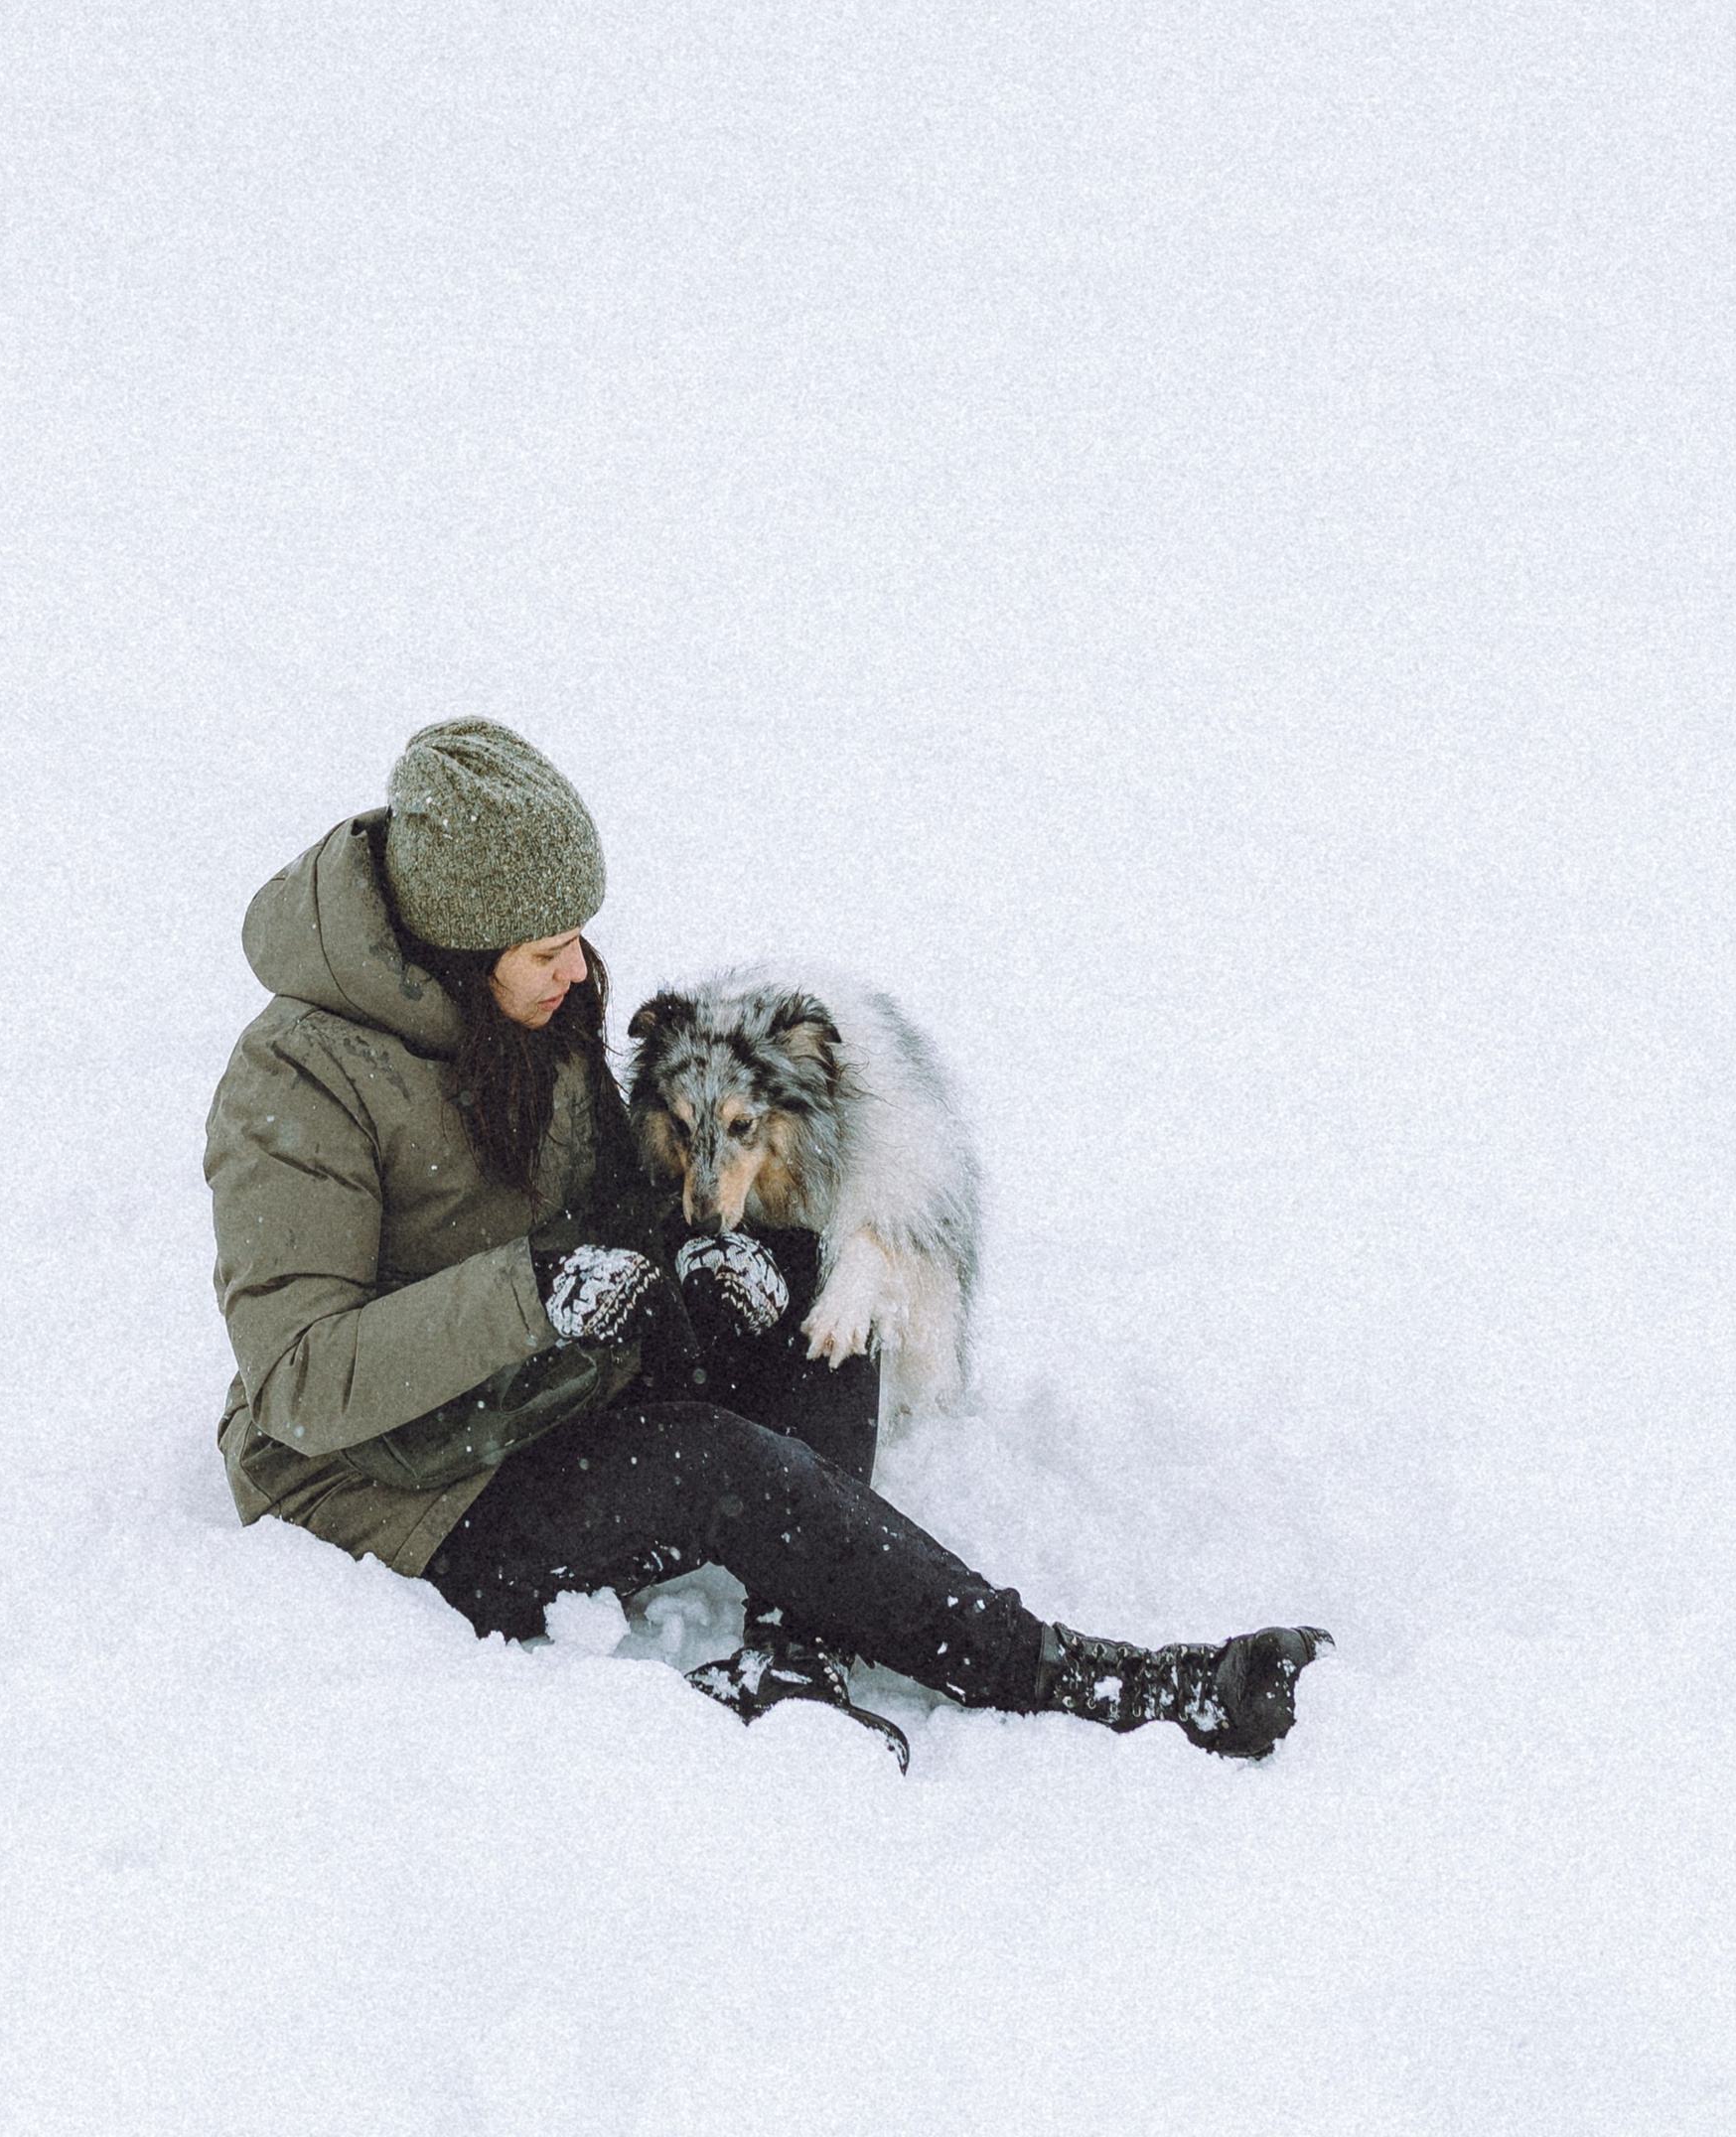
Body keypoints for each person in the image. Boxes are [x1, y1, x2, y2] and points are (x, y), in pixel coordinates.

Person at [204, 718, 1326, 1765]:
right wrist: (536, 1294)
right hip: (402, 1495)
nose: (580, 971)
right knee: (707, 1464)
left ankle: (798, 1653)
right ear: (458, 944)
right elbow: (296, 1379)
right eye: (548, 948)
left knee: (807, 1285)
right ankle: (1092, 1680)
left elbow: (610, 1216)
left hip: (537, 1390)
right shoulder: (296, 1079)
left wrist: (693, 1263)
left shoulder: (527, 1013)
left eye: (579, 939)